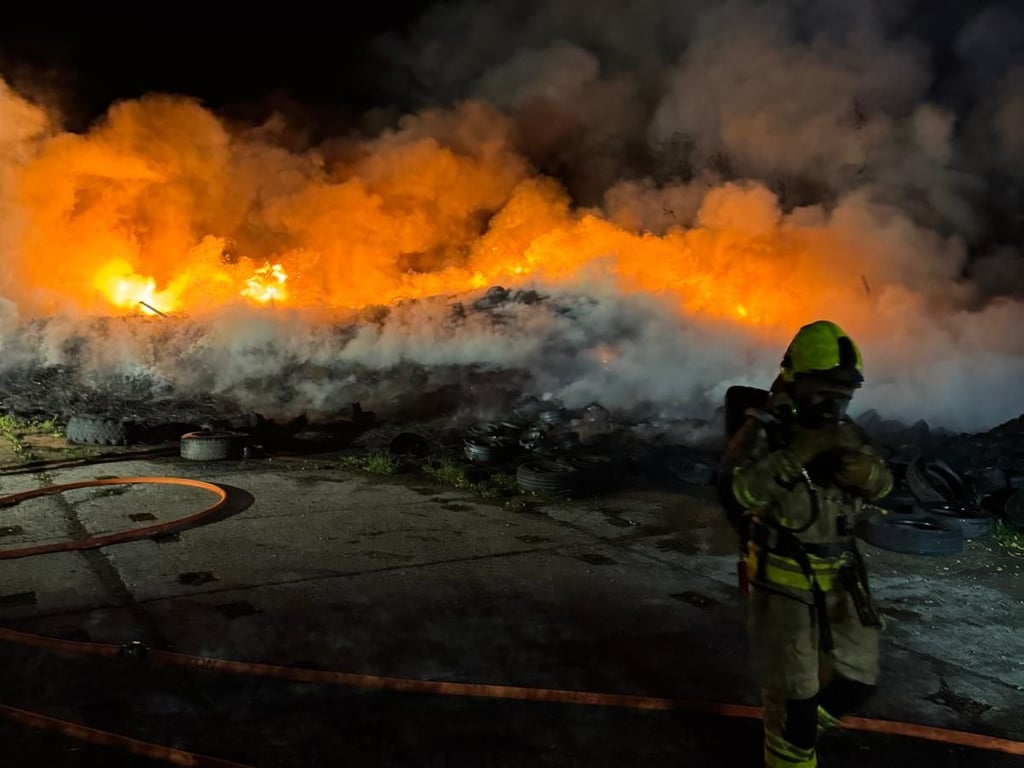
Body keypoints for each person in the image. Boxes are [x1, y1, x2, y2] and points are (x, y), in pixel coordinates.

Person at [717, 320, 893, 768]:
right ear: (794, 380)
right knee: (795, 709)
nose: (834, 404)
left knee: (857, 679)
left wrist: (865, 475)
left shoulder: (845, 430)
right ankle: (791, 742)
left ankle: (795, 734)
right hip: (783, 589)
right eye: (824, 391)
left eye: (843, 394)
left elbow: (885, 484)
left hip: (842, 582)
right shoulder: (762, 431)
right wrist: (797, 455)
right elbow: (738, 493)